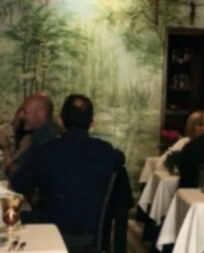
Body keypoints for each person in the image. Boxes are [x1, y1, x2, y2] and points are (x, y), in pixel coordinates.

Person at [13, 94, 125, 239]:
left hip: (51, 231)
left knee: (12, 217)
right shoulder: (107, 152)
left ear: (60, 120)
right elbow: (120, 158)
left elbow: (19, 185)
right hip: (92, 234)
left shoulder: (47, 151)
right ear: (92, 124)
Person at [0, 94, 60, 181]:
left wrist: (5, 147)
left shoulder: (46, 140)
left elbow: (18, 175)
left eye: (25, 112)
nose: (21, 116)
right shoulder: (37, 136)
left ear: (41, 114)